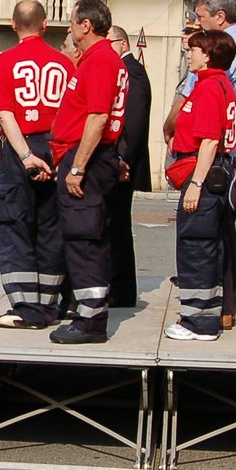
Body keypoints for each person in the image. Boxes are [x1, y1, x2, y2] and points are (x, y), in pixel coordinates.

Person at [0, 0, 74, 329]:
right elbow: (72, 114)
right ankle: (49, 304)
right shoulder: (64, 64)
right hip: (56, 148)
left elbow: (6, 116)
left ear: (13, 25)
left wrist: (26, 156)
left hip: (20, 149)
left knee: (15, 226)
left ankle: (26, 308)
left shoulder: (5, 62)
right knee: (52, 228)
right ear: (44, 24)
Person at [47, 0, 128, 345]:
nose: (68, 29)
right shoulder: (100, 59)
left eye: (72, 22)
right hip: (93, 157)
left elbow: (97, 118)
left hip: (86, 160)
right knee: (87, 237)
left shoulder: (99, 60)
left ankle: (90, 321)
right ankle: (89, 314)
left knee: (84, 239)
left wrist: (78, 167)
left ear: (86, 25)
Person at [163, 28, 236, 342]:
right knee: (210, 246)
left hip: (205, 174)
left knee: (197, 246)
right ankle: (204, 314)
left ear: (208, 54)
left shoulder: (210, 88)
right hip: (212, 173)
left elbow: (209, 140)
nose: (189, 54)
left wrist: (196, 184)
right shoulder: (218, 84)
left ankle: (198, 321)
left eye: (194, 50)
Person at [164, 0, 236, 168]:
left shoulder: (214, 50)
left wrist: (169, 128)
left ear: (220, 16)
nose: (198, 23)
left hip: (210, 151)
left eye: (201, 17)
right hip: (235, 144)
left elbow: (188, 98)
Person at [108, 25, 153, 310]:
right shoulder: (121, 69)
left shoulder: (132, 70)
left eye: (109, 42)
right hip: (118, 161)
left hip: (123, 163)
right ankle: (117, 285)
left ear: (123, 44)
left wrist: (123, 157)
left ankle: (121, 289)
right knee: (114, 225)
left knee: (117, 226)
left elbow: (133, 121)